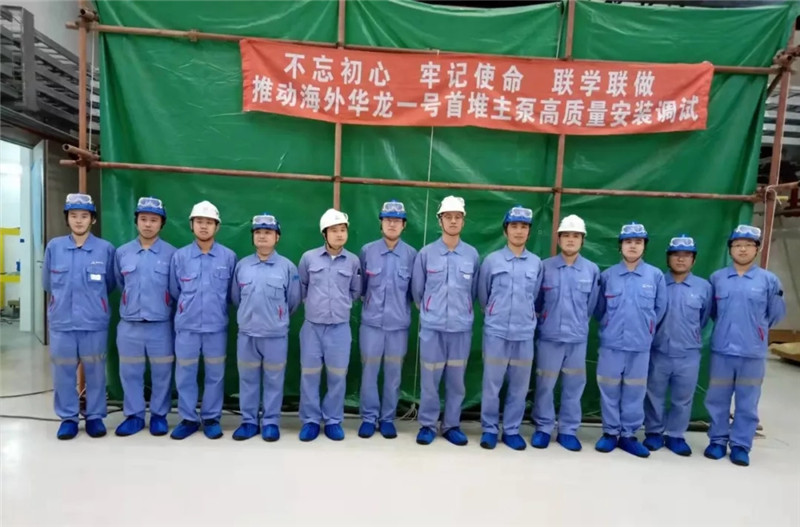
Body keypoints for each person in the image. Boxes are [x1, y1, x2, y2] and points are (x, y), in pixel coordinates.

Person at [704, 225, 785, 467]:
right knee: (717, 398)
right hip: (722, 351)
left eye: (748, 245)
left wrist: (756, 330)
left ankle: (741, 445)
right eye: (737, 245)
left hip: (752, 352)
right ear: (730, 249)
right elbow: (712, 312)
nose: (742, 249)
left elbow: (775, 314)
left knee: (747, 401)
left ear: (757, 249)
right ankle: (717, 440)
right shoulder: (717, 279)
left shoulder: (769, 281)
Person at [43, 193, 116, 440]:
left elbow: (110, 283)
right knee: (63, 373)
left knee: (95, 371)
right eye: (73, 215)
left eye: (84, 216)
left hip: (94, 322)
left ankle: (94, 417)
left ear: (92, 219)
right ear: (67, 219)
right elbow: (47, 283)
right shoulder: (54, 247)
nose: (78, 220)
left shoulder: (105, 249)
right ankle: (68, 418)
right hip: (62, 322)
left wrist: (94, 304)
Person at [594, 222, 667, 458]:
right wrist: (610, 327)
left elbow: (660, 309)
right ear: (620, 246)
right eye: (628, 241)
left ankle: (628, 435)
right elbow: (599, 309)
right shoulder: (608, 276)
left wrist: (646, 330)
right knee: (609, 388)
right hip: (611, 344)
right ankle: (610, 433)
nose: (633, 246)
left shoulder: (655, 276)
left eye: (638, 242)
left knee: (635, 391)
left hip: (640, 346)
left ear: (645, 246)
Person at [411, 196, 480, 446]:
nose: (453, 221)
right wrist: (432, 311)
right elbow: (418, 292)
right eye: (448, 217)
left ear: (463, 221)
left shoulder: (472, 255)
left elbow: (475, 292)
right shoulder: (426, 254)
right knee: (430, 380)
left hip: (461, 329)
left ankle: (451, 425)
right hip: (432, 328)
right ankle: (427, 425)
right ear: (439, 221)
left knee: (456, 381)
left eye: (457, 217)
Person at [531, 214, 600, 452]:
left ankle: (568, 430)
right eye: (566, 235)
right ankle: (543, 427)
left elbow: (591, 305)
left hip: (577, 340)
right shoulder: (545, 267)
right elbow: (536, 301)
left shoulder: (591, 270)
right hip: (549, 338)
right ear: (559, 239)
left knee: (574, 386)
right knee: (545, 385)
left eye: (576, 236)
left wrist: (578, 324)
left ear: (583, 240)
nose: (571, 239)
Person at [169, 201, 236, 440]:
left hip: (216, 327)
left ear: (217, 227)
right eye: (199, 221)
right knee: (185, 374)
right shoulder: (180, 257)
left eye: (209, 222)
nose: (204, 226)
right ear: (191, 225)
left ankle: (211, 418)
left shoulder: (228, 257)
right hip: (186, 327)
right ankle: (188, 418)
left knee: (215, 374)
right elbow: (174, 290)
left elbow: (233, 294)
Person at [230, 213, 301, 442]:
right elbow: (236, 297)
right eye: (258, 232)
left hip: (275, 335)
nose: (262, 236)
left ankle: (271, 422)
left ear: (277, 237)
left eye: (268, 232)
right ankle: (249, 421)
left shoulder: (287, 267)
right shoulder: (242, 266)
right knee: (247, 380)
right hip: (247, 335)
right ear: (253, 237)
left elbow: (293, 301)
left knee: (274, 380)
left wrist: (276, 318)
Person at [476, 206, 542, 451]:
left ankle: (512, 430)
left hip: (524, 334)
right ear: (506, 230)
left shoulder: (536, 263)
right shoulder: (492, 261)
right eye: (514, 226)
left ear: (529, 232)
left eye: (524, 227)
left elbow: (536, 296)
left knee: (519, 386)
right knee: (491, 384)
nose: (519, 231)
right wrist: (495, 313)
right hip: (496, 332)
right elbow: (483, 295)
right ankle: (489, 429)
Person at [113, 197, 177, 437]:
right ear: (136, 221)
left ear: (162, 224)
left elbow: (176, 289)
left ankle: (159, 415)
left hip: (161, 325)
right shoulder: (122, 252)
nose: (148, 224)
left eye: (154, 220)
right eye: (143, 219)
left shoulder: (172, 254)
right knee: (130, 373)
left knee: (162, 373)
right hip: (129, 325)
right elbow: (119, 283)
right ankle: (134, 415)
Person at [643, 235, 711, 456]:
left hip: (688, 354)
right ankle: (653, 432)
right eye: (676, 255)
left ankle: (676, 435)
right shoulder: (657, 282)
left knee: (683, 398)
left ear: (694, 259)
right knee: (654, 395)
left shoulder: (703, 287)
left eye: (686, 255)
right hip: (658, 350)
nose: (681, 259)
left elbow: (704, 318)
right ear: (668, 258)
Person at [297, 209, 361, 442]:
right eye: (334, 230)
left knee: (337, 376)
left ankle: (333, 420)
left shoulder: (353, 261)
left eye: (343, 229)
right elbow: (302, 287)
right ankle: (311, 421)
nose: (339, 234)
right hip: (312, 328)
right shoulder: (308, 258)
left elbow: (355, 291)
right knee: (309, 375)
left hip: (340, 328)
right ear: (324, 233)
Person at [357, 200, 417, 439]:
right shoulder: (367, 251)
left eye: (397, 220)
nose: (392, 224)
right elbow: (361, 288)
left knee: (394, 374)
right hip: (371, 324)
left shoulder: (412, 255)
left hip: (398, 326)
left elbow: (414, 291)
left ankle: (387, 419)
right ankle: (368, 418)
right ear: (381, 223)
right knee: (369, 372)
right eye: (388, 220)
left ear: (404, 225)